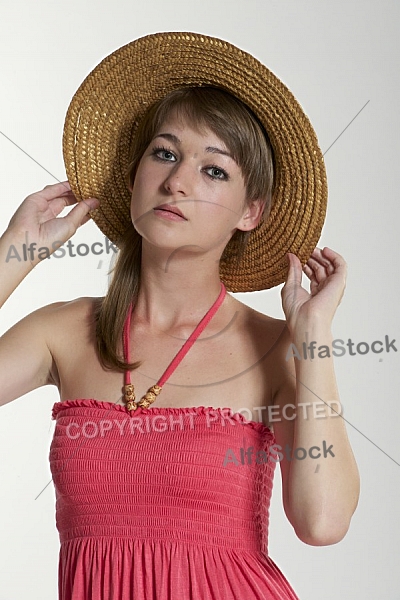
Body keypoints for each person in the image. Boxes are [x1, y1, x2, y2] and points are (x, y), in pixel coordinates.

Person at [0, 32, 360, 600]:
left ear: (250, 212)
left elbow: (323, 524)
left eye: (214, 170)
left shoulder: (273, 347)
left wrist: (312, 340)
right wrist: (14, 254)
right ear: (136, 173)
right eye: (164, 153)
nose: (177, 181)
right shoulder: (62, 331)